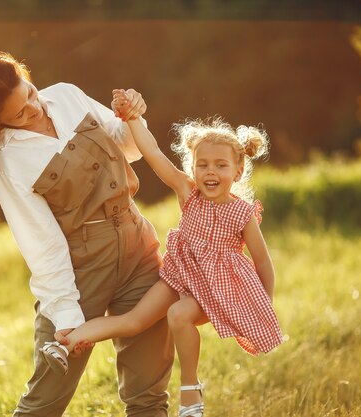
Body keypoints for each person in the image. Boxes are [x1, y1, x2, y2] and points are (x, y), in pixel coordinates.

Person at [0, 52, 174, 417]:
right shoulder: (8, 162)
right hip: (81, 267)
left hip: (138, 244)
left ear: (26, 76)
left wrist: (130, 112)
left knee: (149, 392)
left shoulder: (67, 95)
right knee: (46, 399)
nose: (34, 109)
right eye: (19, 114)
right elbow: (42, 245)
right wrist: (68, 317)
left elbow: (128, 146)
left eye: (29, 93)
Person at [41, 90, 284, 417]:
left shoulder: (241, 214)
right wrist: (132, 119)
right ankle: (64, 343)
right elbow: (153, 153)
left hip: (215, 289)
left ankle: (190, 392)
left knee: (178, 315)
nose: (210, 172)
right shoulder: (188, 192)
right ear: (193, 168)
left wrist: (264, 301)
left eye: (221, 166)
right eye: (203, 165)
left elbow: (263, 261)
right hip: (178, 277)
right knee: (132, 322)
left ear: (238, 171)